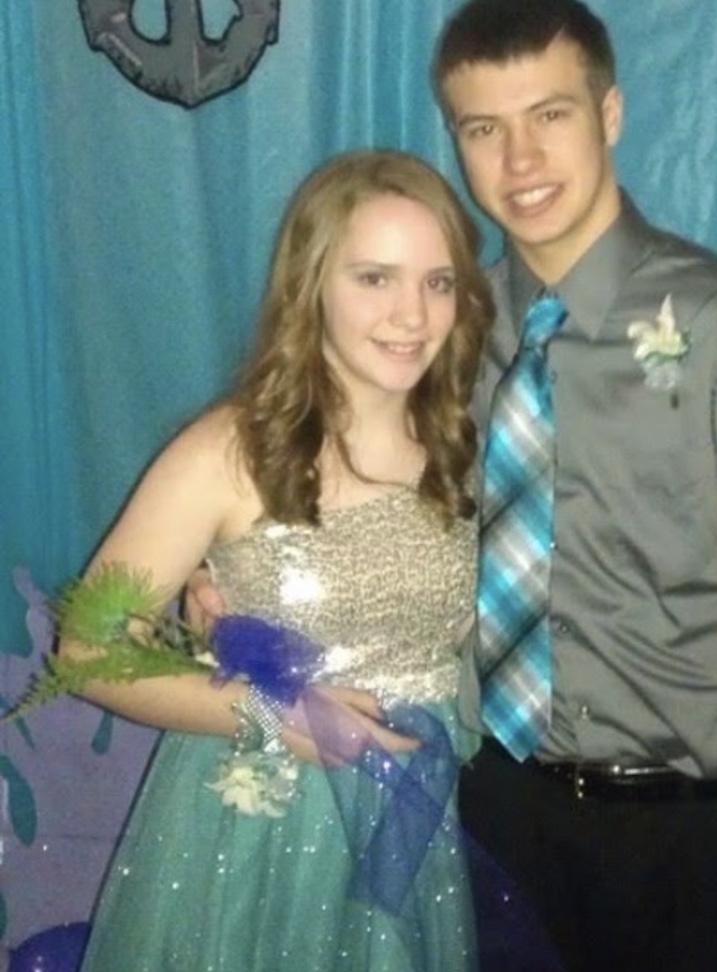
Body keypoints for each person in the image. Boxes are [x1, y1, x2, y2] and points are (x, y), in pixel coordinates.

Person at [431, 2, 717, 971]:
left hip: (694, 837)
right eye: (483, 128)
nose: (519, 160)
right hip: (495, 812)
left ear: (611, 113)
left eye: (550, 115)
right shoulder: (445, 335)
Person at [68, 150, 494, 972]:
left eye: (438, 282)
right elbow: (84, 653)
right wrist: (278, 712)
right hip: (259, 834)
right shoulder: (228, 453)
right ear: (312, 284)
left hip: (415, 826)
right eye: (375, 278)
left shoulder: (463, 444)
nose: (412, 314)